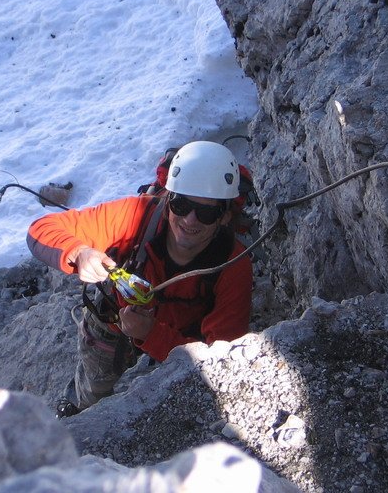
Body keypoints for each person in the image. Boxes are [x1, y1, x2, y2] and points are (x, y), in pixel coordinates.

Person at [26, 141, 254, 415]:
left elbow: (221, 364)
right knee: (91, 400)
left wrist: (151, 334)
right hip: (114, 323)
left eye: (206, 213)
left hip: (182, 340)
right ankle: (79, 407)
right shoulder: (138, 216)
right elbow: (42, 229)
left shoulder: (233, 265)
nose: (190, 220)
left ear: (225, 217)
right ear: (168, 199)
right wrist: (80, 252)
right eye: (181, 204)